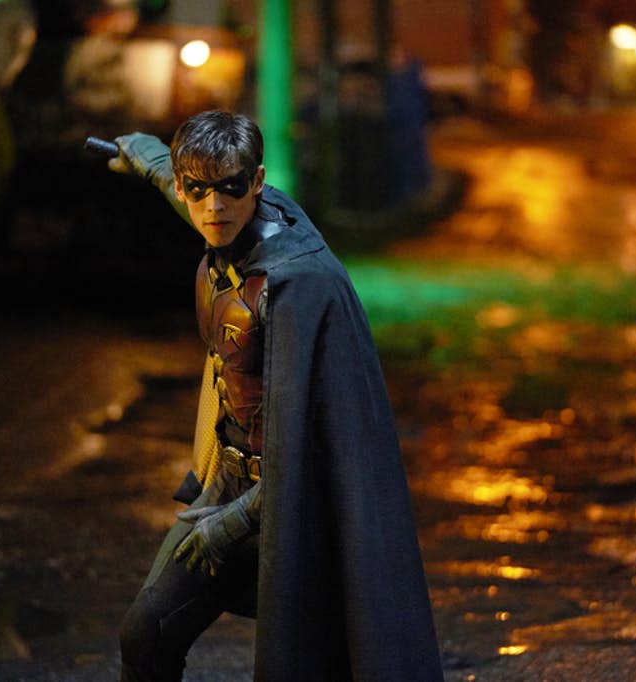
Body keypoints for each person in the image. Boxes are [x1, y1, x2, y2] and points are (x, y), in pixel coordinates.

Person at [106, 110, 444, 682]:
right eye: (198, 191)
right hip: (228, 483)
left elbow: (309, 447)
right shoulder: (223, 220)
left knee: (315, 658)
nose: (215, 207)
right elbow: (183, 183)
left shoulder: (299, 283)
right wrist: (145, 155)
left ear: (258, 183)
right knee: (146, 633)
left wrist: (230, 525)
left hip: (296, 504)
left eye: (232, 188)